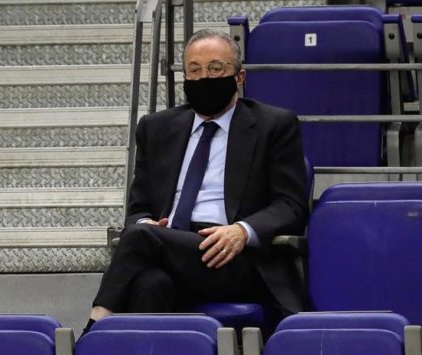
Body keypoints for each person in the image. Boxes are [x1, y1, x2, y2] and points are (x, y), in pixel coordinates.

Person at [84, 29, 307, 331]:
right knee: (151, 283)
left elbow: (291, 205)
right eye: (195, 70)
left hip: (231, 256)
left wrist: (242, 231)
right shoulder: (156, 128)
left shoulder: (274, 125)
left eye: (215, 69)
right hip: (169, 243)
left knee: (137, 237)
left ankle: (92, 331)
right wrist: (147, 222)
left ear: (239, 77)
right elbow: (138, 209)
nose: (204, 78)